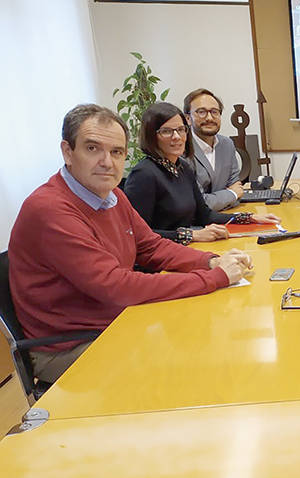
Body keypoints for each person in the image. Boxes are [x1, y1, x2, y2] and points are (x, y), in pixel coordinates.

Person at [8, 104, 253, 383]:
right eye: (92, 149)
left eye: (116, 152)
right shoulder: (50, 210)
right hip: (73, 346)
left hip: (117, 321)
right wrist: (216, 278)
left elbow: (151, 246)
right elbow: (116, 286)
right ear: (68, 152)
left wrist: (210, 260)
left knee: (210, 338)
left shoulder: (112, 195)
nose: (107, 162)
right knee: (191, 369)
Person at [124, 102, 278, 244]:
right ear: (151, 136)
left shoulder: (182, 167)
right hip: (159, 261)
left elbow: (204, 215)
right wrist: (191, 235)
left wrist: (248, 218)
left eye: (180, 129)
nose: (177, 137)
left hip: (187, 249)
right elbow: (138, 234)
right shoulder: (143, 174)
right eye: (166, 131)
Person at [183, 88, 243, 211]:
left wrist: (232, 195)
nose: (209, 118)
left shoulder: (227, 144)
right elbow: (196, 204)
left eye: (214, 112)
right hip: (197, 227)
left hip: (227, 216)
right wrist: (231, 194)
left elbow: (237, 189)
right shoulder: (182, 149)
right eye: (201, 112)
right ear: (188, 118)